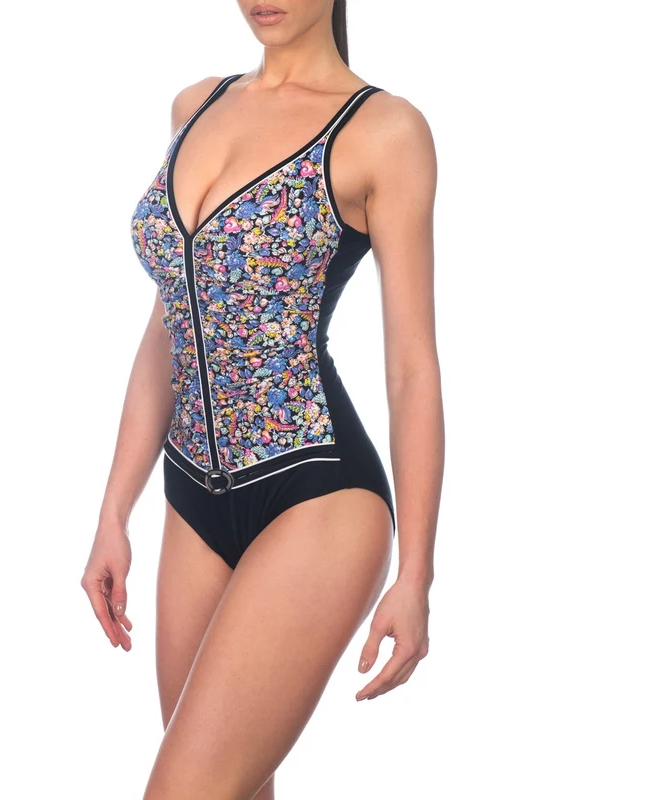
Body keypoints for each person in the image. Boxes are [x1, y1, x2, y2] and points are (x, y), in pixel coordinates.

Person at [81, 0, 443, 796]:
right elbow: (171, 327)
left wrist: (416, 573)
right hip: (191, 497)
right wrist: (114, 512)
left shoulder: (382, 131)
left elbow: (412, 368)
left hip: (316, 494)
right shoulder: (196, 104)